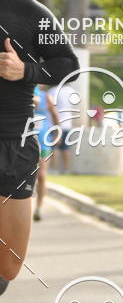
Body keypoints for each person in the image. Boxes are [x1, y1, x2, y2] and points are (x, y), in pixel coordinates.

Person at [0, 0, 78, 295]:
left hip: (16, 142)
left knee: (10, 265)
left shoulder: (32, 14)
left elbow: (69, 67)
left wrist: (24, 70)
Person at [33, 85, 60, 221]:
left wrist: (57, 133)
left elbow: (55, 114)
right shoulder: (20, 92)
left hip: (43, 140)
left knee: (42, 175)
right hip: (25, 141)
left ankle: (38, 208)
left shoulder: (46, 97)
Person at [47, 78, 78, 173]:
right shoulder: (71, 91)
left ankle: (54, 169)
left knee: (54, 147)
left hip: (53, 123)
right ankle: (66, 169)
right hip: (67, 123)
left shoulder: (52, 91)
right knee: (66, 148)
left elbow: (49, 106)